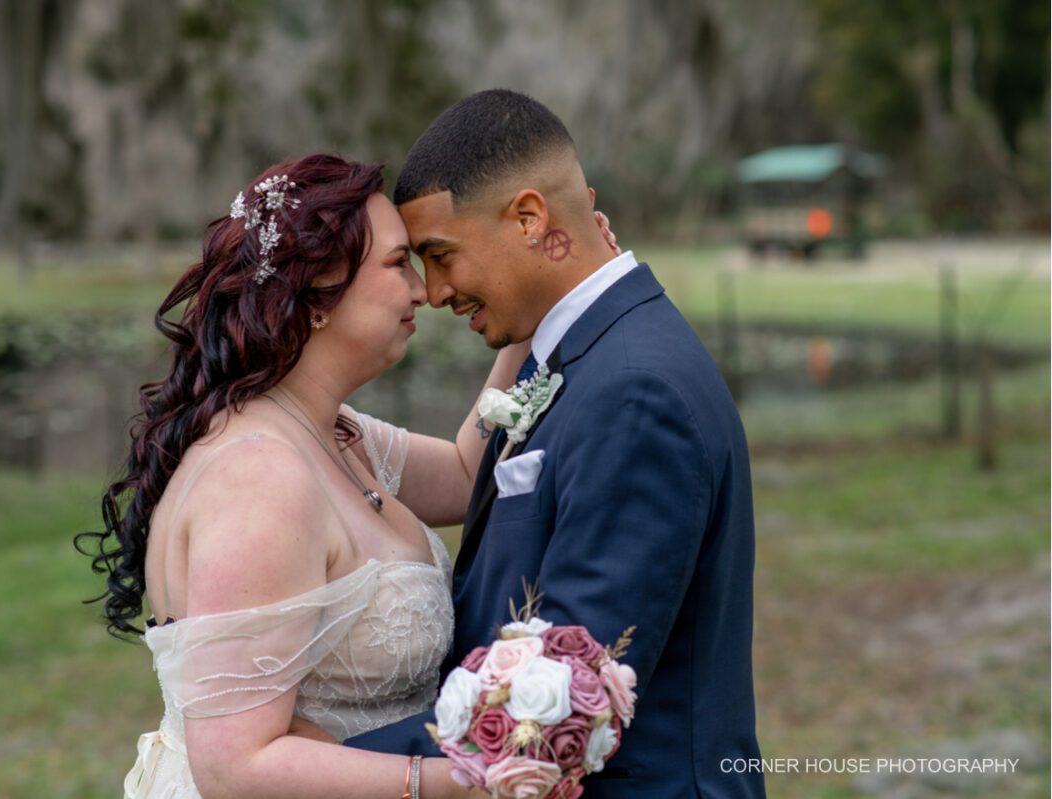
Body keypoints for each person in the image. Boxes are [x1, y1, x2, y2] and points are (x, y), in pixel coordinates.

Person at [342, 90, 766, 798]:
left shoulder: (636, 391)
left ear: (530, 217)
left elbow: (560, 699)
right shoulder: (576, 352)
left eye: (441, 255)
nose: (437, 292)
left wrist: (304, 767)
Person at [75, 154, 526, 798]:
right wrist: (458, 784)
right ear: (319, 289)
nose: (423, 291)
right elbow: (236, 768)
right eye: (399, 265)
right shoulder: (262, 479)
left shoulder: (338, 432)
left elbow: (462, 475)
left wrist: (531, 310)